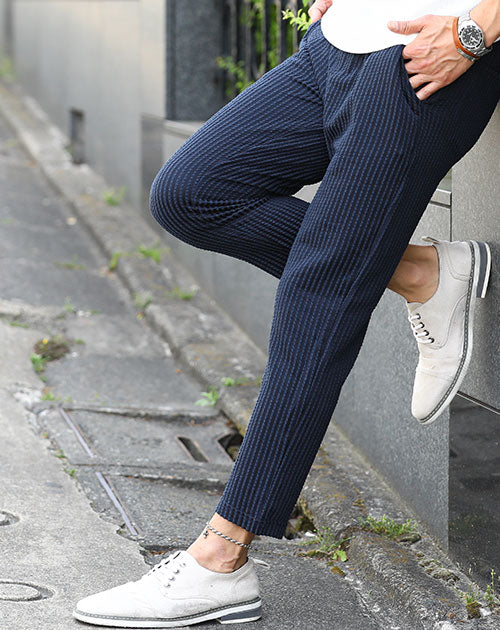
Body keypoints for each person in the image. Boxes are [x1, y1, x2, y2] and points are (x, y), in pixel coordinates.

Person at [74, 0, 500, 626]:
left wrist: (475, 31)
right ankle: (420, 272)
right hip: (336, 44)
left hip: (423, 63)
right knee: (191, 194)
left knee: (319, 289)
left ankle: (222, 556)